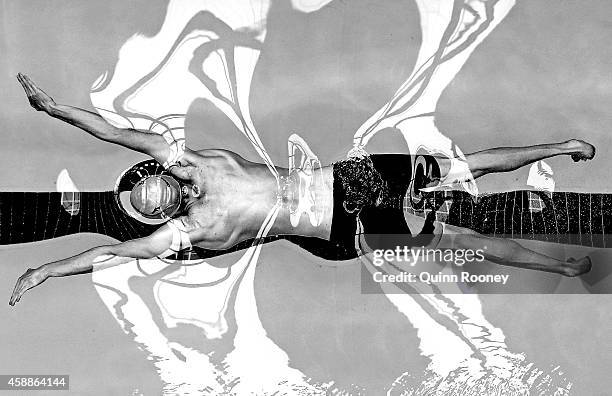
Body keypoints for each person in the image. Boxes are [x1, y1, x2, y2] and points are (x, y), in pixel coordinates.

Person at [9, 73, 594, 305]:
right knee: (453, 235)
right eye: (146, 210)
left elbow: (114, 131)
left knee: (454, 170)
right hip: (334, 232)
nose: (154, 200)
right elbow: (111, 252)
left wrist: (56, 109)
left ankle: (555, 148)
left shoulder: (193, 161)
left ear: (152, 175)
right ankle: (556, 267)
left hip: (344, 179)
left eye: (149, 190)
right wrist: (44, 272)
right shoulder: (187, 232)